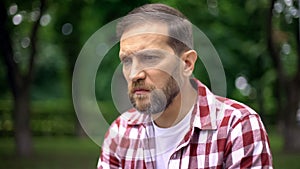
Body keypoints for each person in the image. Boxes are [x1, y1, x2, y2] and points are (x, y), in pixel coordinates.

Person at [97, 3, 273, 169]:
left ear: (187, 64)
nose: (135, 74)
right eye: (127, 61)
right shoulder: (120, 133)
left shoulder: (237, 127)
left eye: (149, 58)